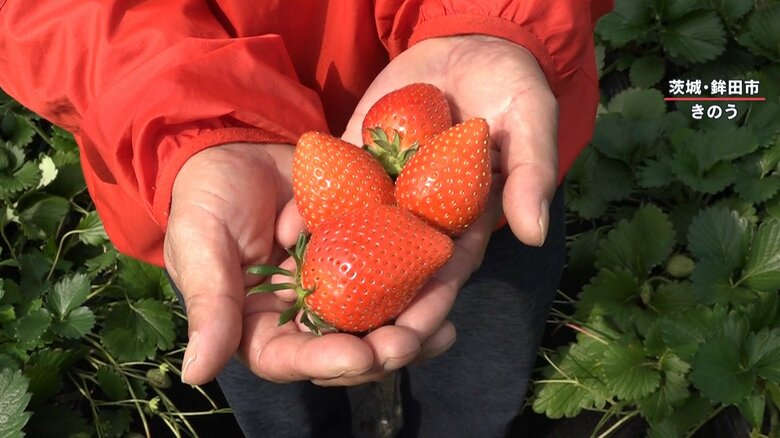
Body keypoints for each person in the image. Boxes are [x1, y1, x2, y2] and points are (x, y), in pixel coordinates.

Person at [0, 1, 611, 436]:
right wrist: (188, 121)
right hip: (227, 197)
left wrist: (495, 20)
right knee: (273, 390)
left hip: (488, 170)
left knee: (478, 379)